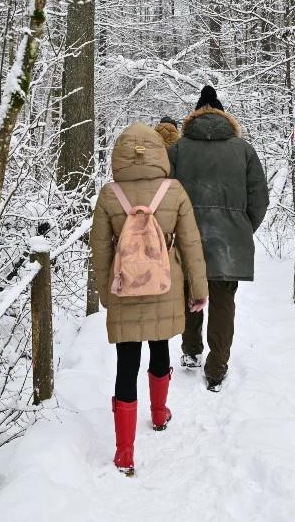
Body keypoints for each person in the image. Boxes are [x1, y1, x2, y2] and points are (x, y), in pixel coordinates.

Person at [90, 124, 209, 476]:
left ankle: (124, 452)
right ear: (160, 154)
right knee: (160, 347)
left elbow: (99, 251)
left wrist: (105, 293)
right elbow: (191, 244)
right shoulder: (174, 191)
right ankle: (159, 415)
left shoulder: (109, 195)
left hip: (125, 286)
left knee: (126, 364)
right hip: (165, 285)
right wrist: (198, 290)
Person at [168, 86, 269, 392]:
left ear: (194, 116)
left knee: (189, 293)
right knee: (223, 302)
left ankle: (191, 350)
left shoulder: (177, 150)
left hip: (188, 236)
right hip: (230, 239)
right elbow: (259, 199)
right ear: (225, 116)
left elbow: (165, 195)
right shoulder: (244, 150)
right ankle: (216, 368)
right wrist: (241, 228)